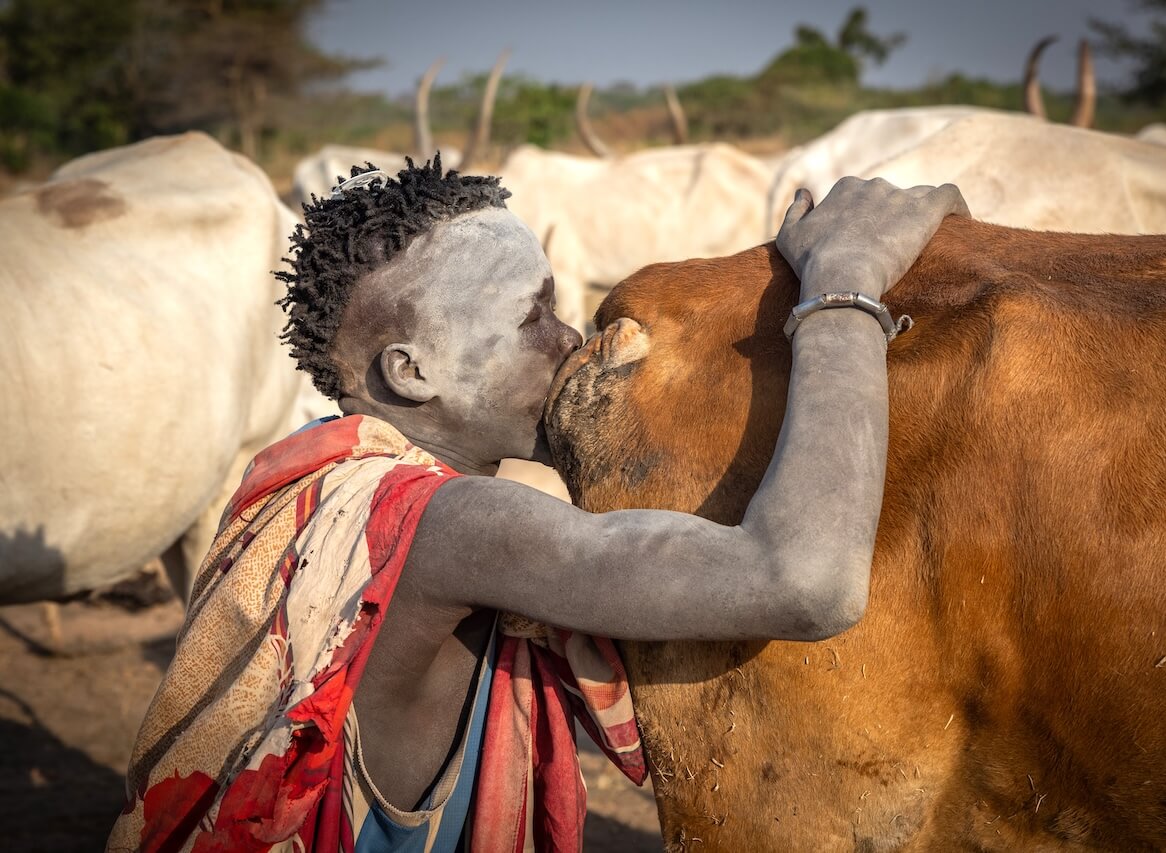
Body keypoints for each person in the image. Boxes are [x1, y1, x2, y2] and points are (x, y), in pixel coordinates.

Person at [108, 158, 968, 853]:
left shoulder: (319, 493)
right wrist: (847, 288)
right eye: (535, 316)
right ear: (412, 372)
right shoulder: (456, 526)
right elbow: (806, 580)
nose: (570, 342)